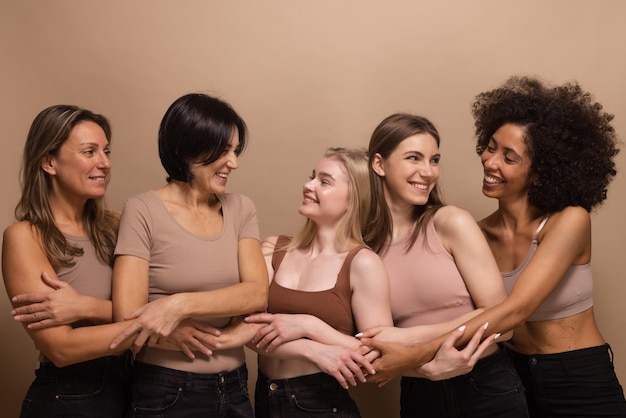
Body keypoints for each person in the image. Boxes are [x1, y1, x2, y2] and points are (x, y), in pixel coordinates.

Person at [363, 76, 626, 417]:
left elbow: (515, 311)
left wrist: (412, 354)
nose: (490, 162)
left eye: (509, 157)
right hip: (508, 373)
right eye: (490, 147)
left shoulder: (569, 221)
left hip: (575, 375)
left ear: (541, 171)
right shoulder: (476, 232)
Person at [356, 113, 528, 417]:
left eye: (434, 160)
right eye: (414, 158)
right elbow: (374, 348)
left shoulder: (450, 222)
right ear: (379, 164)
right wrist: (426, 369)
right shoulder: (362, 248)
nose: (428, 172)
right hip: (419, 390)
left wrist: (408, 338)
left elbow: (503, 326)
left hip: (486, 386)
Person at [110, 93, 268, 417]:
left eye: (235, 151)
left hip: (235, 386)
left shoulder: (241, 208)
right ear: (184, 148)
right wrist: (222, 330)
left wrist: (177, 305)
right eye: (223, 150)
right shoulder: (142, 210)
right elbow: (127, 315)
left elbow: (256, 293)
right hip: (165, 389)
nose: (233, 162)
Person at [235, 147, 393, 417]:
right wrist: (311, 350)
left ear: (354, 199)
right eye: (312, 177)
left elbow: (380, 355)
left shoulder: (363, 263)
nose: (308, 185)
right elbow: (244, 328)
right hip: (265, 398)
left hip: (321, 403)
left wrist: (310, 325)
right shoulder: (274, 248)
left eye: (324, 181)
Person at [2, 105, 135, 417]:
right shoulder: (24, 237)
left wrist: (86, 307)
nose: (105, 163)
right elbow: (62, 348)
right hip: (71, 397)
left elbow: (161, 300)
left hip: (139, 388)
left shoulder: (121, 224)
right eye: (89, 151)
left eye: (106, 151)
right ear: (49, 162)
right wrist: (158, 324)